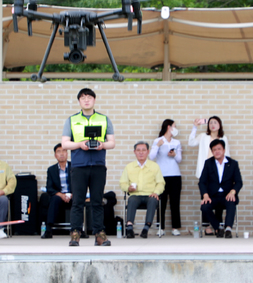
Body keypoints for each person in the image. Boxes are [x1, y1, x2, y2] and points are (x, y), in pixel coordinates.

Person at [61, 88, 115, 246]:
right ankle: (75, 233)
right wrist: (80, 144)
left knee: (97, 201)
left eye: (89, 97)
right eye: (83, 98)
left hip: (98, 165)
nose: (86, 100)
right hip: (79, 165)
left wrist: (102, 145)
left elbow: (112, 143)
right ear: (79, 101)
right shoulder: (71, 120)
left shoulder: (104, 119)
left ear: (94, 100)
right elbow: (65, 143)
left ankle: (99, 234)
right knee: (78, 201)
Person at [189, 116, 229, 235]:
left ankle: (218, 226)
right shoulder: (203, 137)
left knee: (219, 199)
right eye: (210, 122)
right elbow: (191, 143)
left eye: (215, 122)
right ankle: (207, 226)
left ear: (219, 125)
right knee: (205, 199)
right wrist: (194, 127)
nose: (212, 125)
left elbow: (228, 154)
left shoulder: (224, 138)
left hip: (220, 173)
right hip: (205, 172)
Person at [198, 139, 243, 238]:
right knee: (204, 207)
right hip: (212, 196)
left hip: (227, 194)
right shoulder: (208, 163)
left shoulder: (233, 163)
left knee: (231, 202)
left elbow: (239, 182)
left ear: (224, 150)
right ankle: (218, 227)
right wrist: (205, 195)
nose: (217, 151)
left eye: (219, 149)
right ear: (212, 152)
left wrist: (233, 192)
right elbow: (202, 182)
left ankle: (228, 229)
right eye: (214, 150)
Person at [120, 141, 165, 238]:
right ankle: (129, 227)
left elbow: (161, 183)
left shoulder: (154, 166)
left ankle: (146, 228)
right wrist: (128, 188)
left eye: (143, 150)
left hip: (150, 195)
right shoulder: (129, 167)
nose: (141, 153)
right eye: (138, 150)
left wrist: (156, 192)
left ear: (148, 152)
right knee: (131, 199)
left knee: (153, 200)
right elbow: (122, 182)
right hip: (135, 195)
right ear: (134, 152)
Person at [149, 119, 183, 236]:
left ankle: (175, 228)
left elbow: (179, 160)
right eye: (174, 126)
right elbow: (151, 157)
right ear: (169, 127)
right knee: (161, 203)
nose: (175, 128)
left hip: (175, 175)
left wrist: (174, 155)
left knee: (175, 202)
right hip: (161, 176)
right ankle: (161, 228)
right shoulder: (157, 141)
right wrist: (157, 146)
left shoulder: (176, 142)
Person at [39, 143, 72, 239]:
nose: (62, 154)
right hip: (59, 196)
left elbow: (79, 184)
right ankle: (48, 230)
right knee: (54, 200)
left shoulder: (74, 167)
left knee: (78, 200)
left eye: (64, 151)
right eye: (59, 151)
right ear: (55, 155)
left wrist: (72, 194)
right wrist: (61, 195)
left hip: (73, 195)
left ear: (67, 153)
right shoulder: (51, 170)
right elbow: (49, 188)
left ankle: (78, 230)